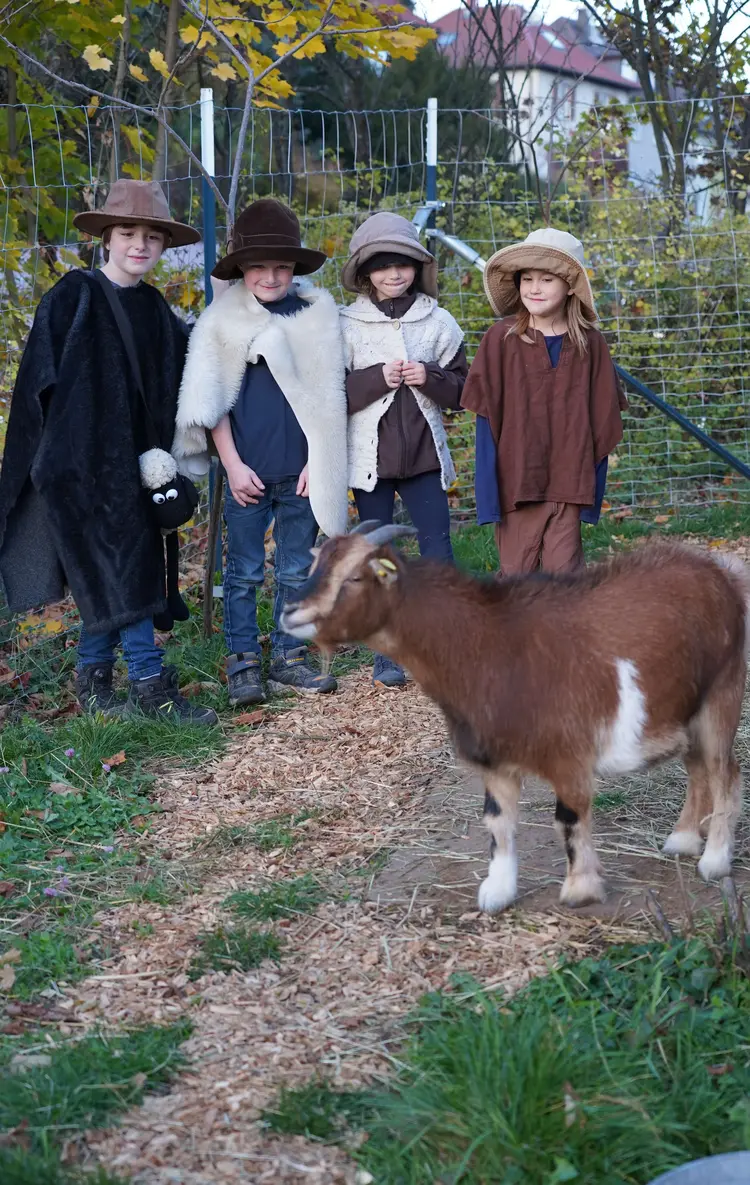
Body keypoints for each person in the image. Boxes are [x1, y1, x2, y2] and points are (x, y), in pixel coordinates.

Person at [0, 180, 217, 724]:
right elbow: (35, 385)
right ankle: (150, 687)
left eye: (151, 236)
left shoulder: (154, 307)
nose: (139, 244)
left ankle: (94, 683)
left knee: (114, 567)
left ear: (164, 245)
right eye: (127, 232)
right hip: (79, 466)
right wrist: (38, 467)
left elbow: (186, 364)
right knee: (126, 564)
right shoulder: (73, 296)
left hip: (134, 466)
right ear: (106, 238)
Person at [173, 198, 349, 707]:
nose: (271, 276)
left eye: (281, 266)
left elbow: (327, 394)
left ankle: (290, 657)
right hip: (247, 472)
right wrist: (231, 464)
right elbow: (212, 401)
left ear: (294, 269)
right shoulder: (221, 322)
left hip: (300, 470)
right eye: (259, 266)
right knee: (244, 571)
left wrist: (320, 460)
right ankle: (243, 662)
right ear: (242, 270)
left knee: (296, 567)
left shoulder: (316, 317)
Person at [340, 211, 467, 688]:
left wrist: (428, 377)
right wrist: (378, 379)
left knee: (436, 545)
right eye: (382, 266)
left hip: (423, 457)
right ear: (365, 272)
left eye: (404, 265)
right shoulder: (347, 324)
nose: (394, 274)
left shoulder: (437, 321)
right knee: (379, 549)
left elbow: (462, 390)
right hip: (369, 462)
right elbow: (332, 393)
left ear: (419, 266)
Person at [461, 227, 626, 575]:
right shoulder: (499, 340)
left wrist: (591, 498)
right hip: (517, 485)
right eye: (528, 279)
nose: (535, 288)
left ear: (569, 286)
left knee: (565, 588)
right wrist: (489, 499)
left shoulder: (590, 344)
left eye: (547, 279)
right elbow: (487, 423)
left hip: (569, 485)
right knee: (518, 589)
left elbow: (603, 423)